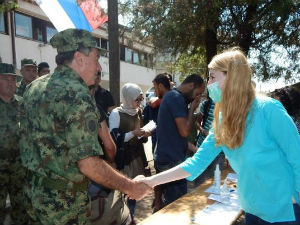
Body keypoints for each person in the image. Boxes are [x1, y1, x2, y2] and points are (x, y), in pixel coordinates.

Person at [136, 48, 300, 225]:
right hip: (252, 208)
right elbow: (196, 162)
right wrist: (150, 181)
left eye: (213, 77)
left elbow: (296, 157)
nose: (208, 83)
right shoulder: (223, 117)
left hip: (283, 210)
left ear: (233, 78)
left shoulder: (268, 110)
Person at [19, 28, 151, 225]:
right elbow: (88, 164)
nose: (99, 67)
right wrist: (131, 187)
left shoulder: (34, 87)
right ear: (79, 59)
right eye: (96, 59)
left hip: (33, 196)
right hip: (63, 206)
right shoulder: (77, 96)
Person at [153, 74, 205, 208]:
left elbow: (175, 135)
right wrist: (193, 108)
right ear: (191, 85)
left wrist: (194, 149)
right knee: (176, 207)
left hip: (168, 159)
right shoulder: (176, 98)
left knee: (168, 206)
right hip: (172, 162)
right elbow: (184, 131)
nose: (197, 98)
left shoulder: (174, 97)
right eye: (197, 93)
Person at [109, 83, 151, 223]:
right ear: (128, 98)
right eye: (136, 100)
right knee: (122, 193)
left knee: (134, 191)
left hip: (137, 157)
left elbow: (139, 135)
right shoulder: (116, 113)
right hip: (123, 159)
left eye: (141, 99)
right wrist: (134, 133)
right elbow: (114, 138)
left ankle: (130, 218)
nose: (139, 103)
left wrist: (144, 134)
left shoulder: (138, 111)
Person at [0, 63, 29, 225]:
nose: (11, 83)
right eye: (5, 79)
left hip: (19, 165)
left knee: (21, 207)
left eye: (13, 79)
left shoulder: (23, 103)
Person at [143, 73, 172, 212]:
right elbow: (150, 118)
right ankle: (158, 203)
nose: (154, 91)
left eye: (155, 88)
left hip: (170, 149)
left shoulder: (174, 99)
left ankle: (164, 204)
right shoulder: (155, 101)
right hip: (158, 145)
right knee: (159, 175)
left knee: (170, 178)